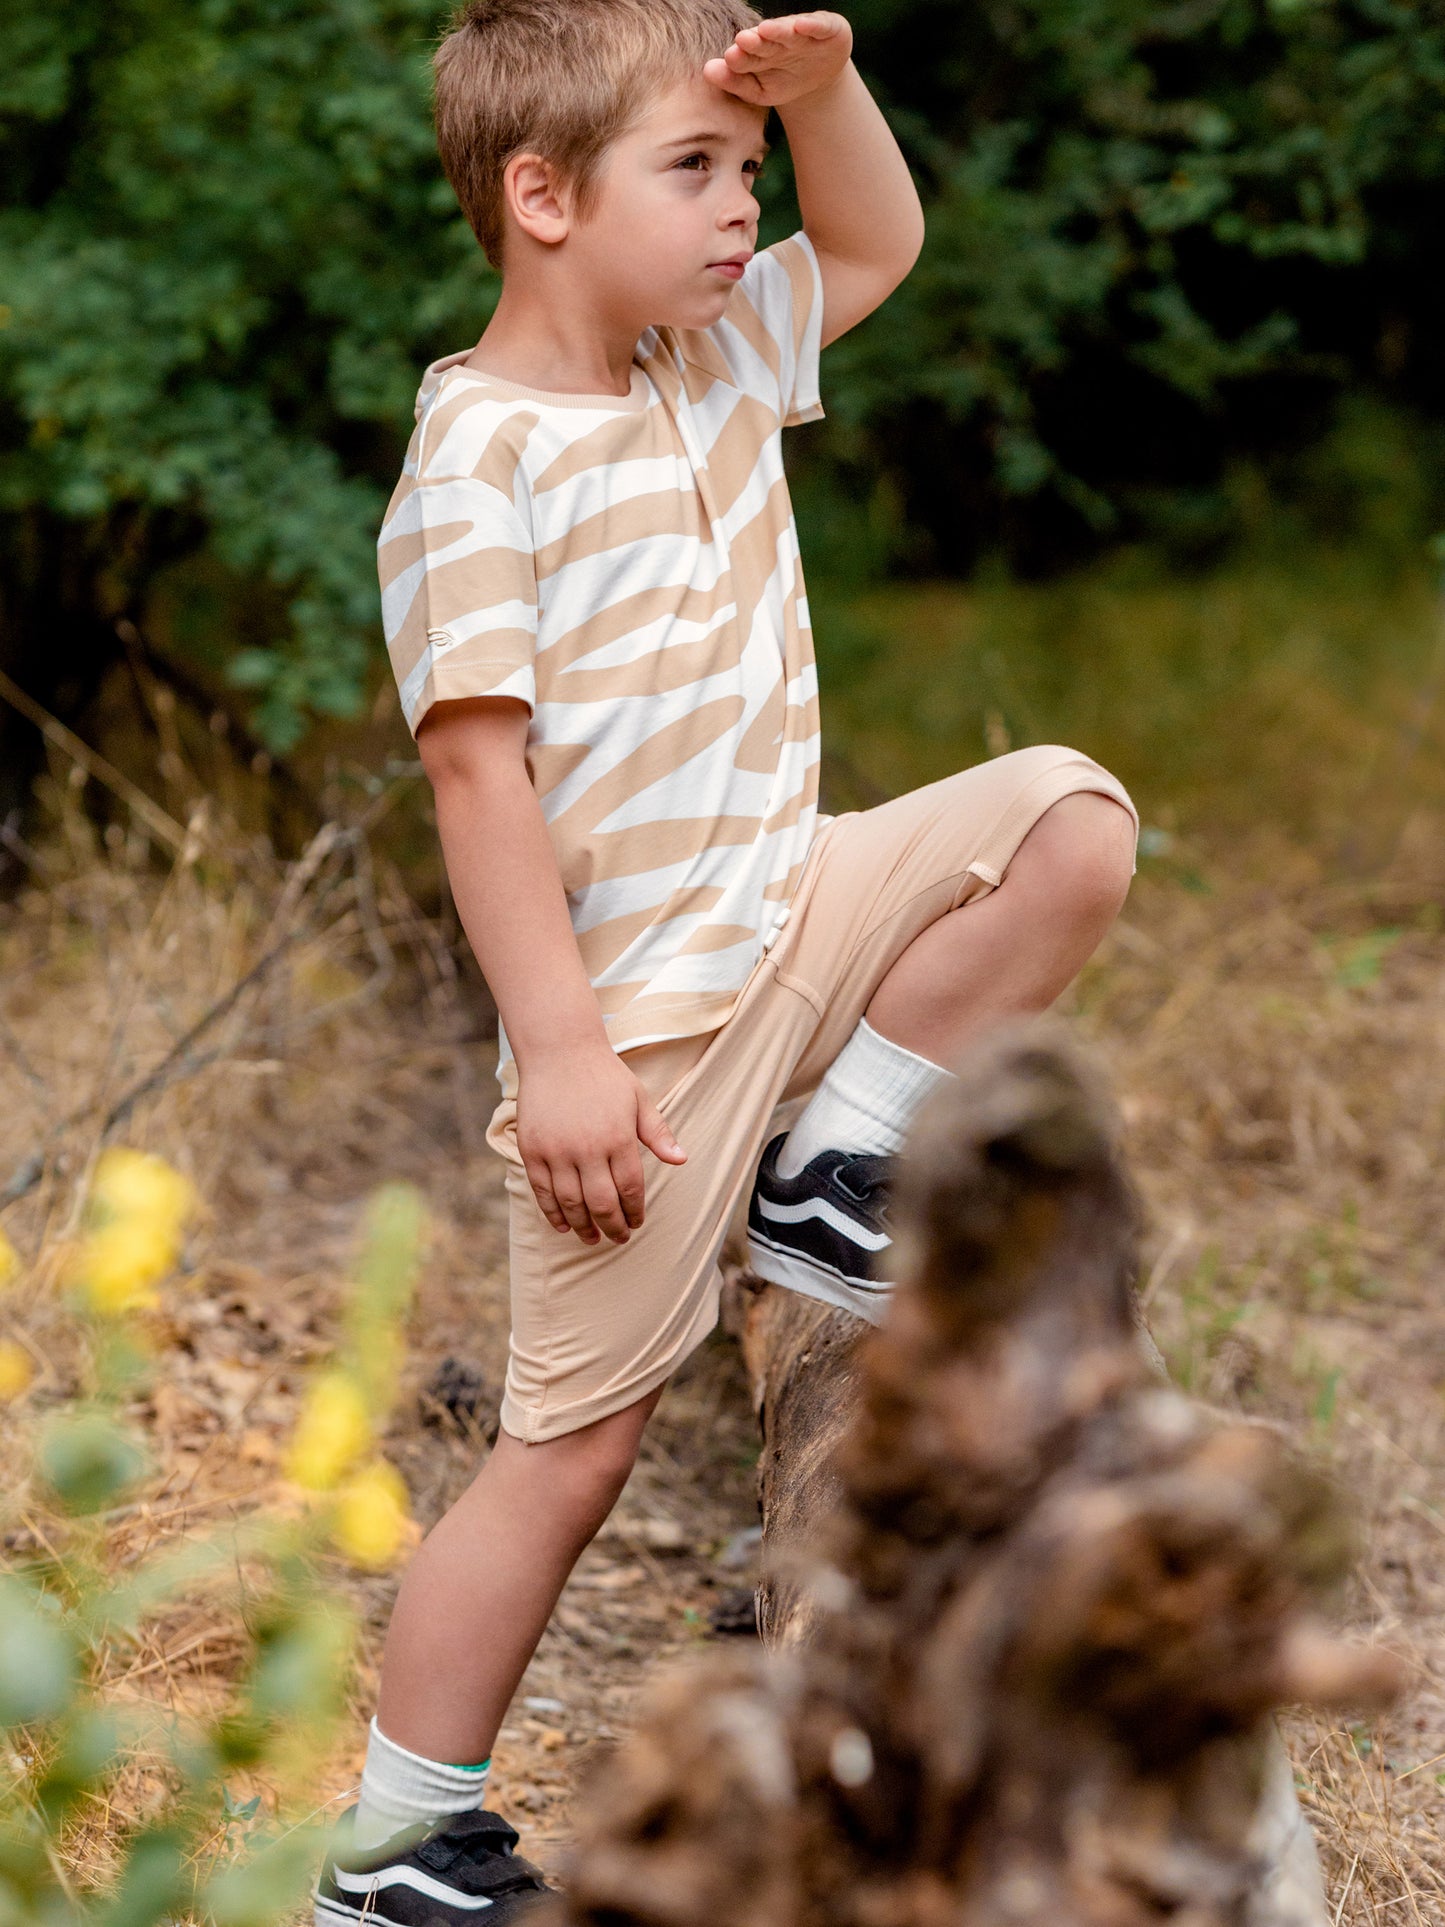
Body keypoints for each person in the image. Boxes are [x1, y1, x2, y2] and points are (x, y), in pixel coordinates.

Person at [316, 4, 1148, 1921]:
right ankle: (387, 1851)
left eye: (739, 174)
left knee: (1067, 819)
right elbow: (475, 775)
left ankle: (834, 1168)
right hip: (643, 1027)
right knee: (567, 1450)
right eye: (689, 171)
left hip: (807, 903)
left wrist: (819, 90)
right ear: (540, 196)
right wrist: (566, 1051)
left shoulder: (709, 362)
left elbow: (876, 250)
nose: (734, 212)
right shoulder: (475, 464)